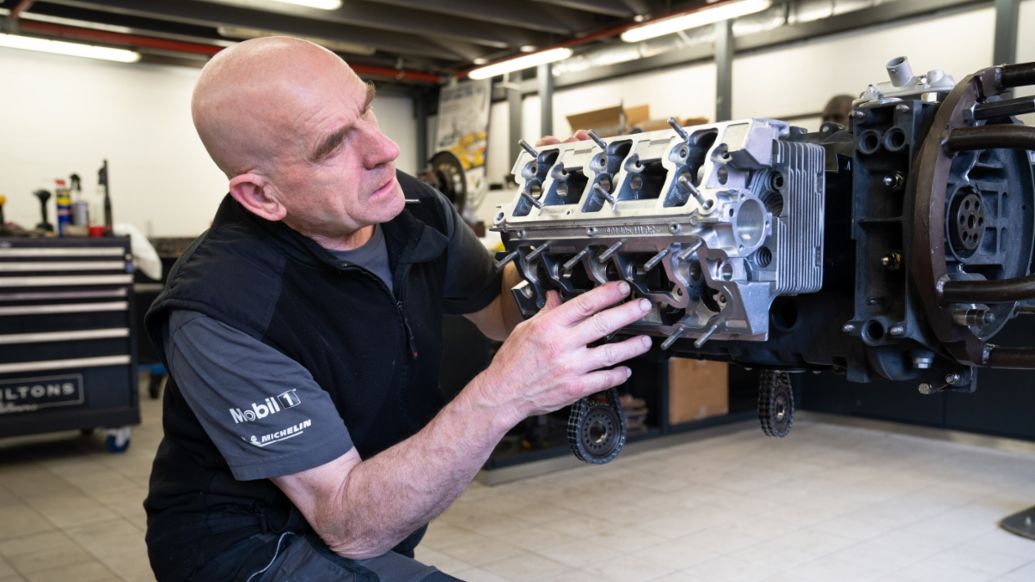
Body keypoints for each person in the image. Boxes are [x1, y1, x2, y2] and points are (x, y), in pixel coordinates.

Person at [143, 36, 652, 581]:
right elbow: (348, 525)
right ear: (262, 196)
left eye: (365, 107)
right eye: (334, 143)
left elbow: (501, 312)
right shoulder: (220, 306)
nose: (385, 149)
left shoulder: (409, 207)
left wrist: (569, 229)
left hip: (371, 521)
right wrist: (504, 393)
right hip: (248, 548)